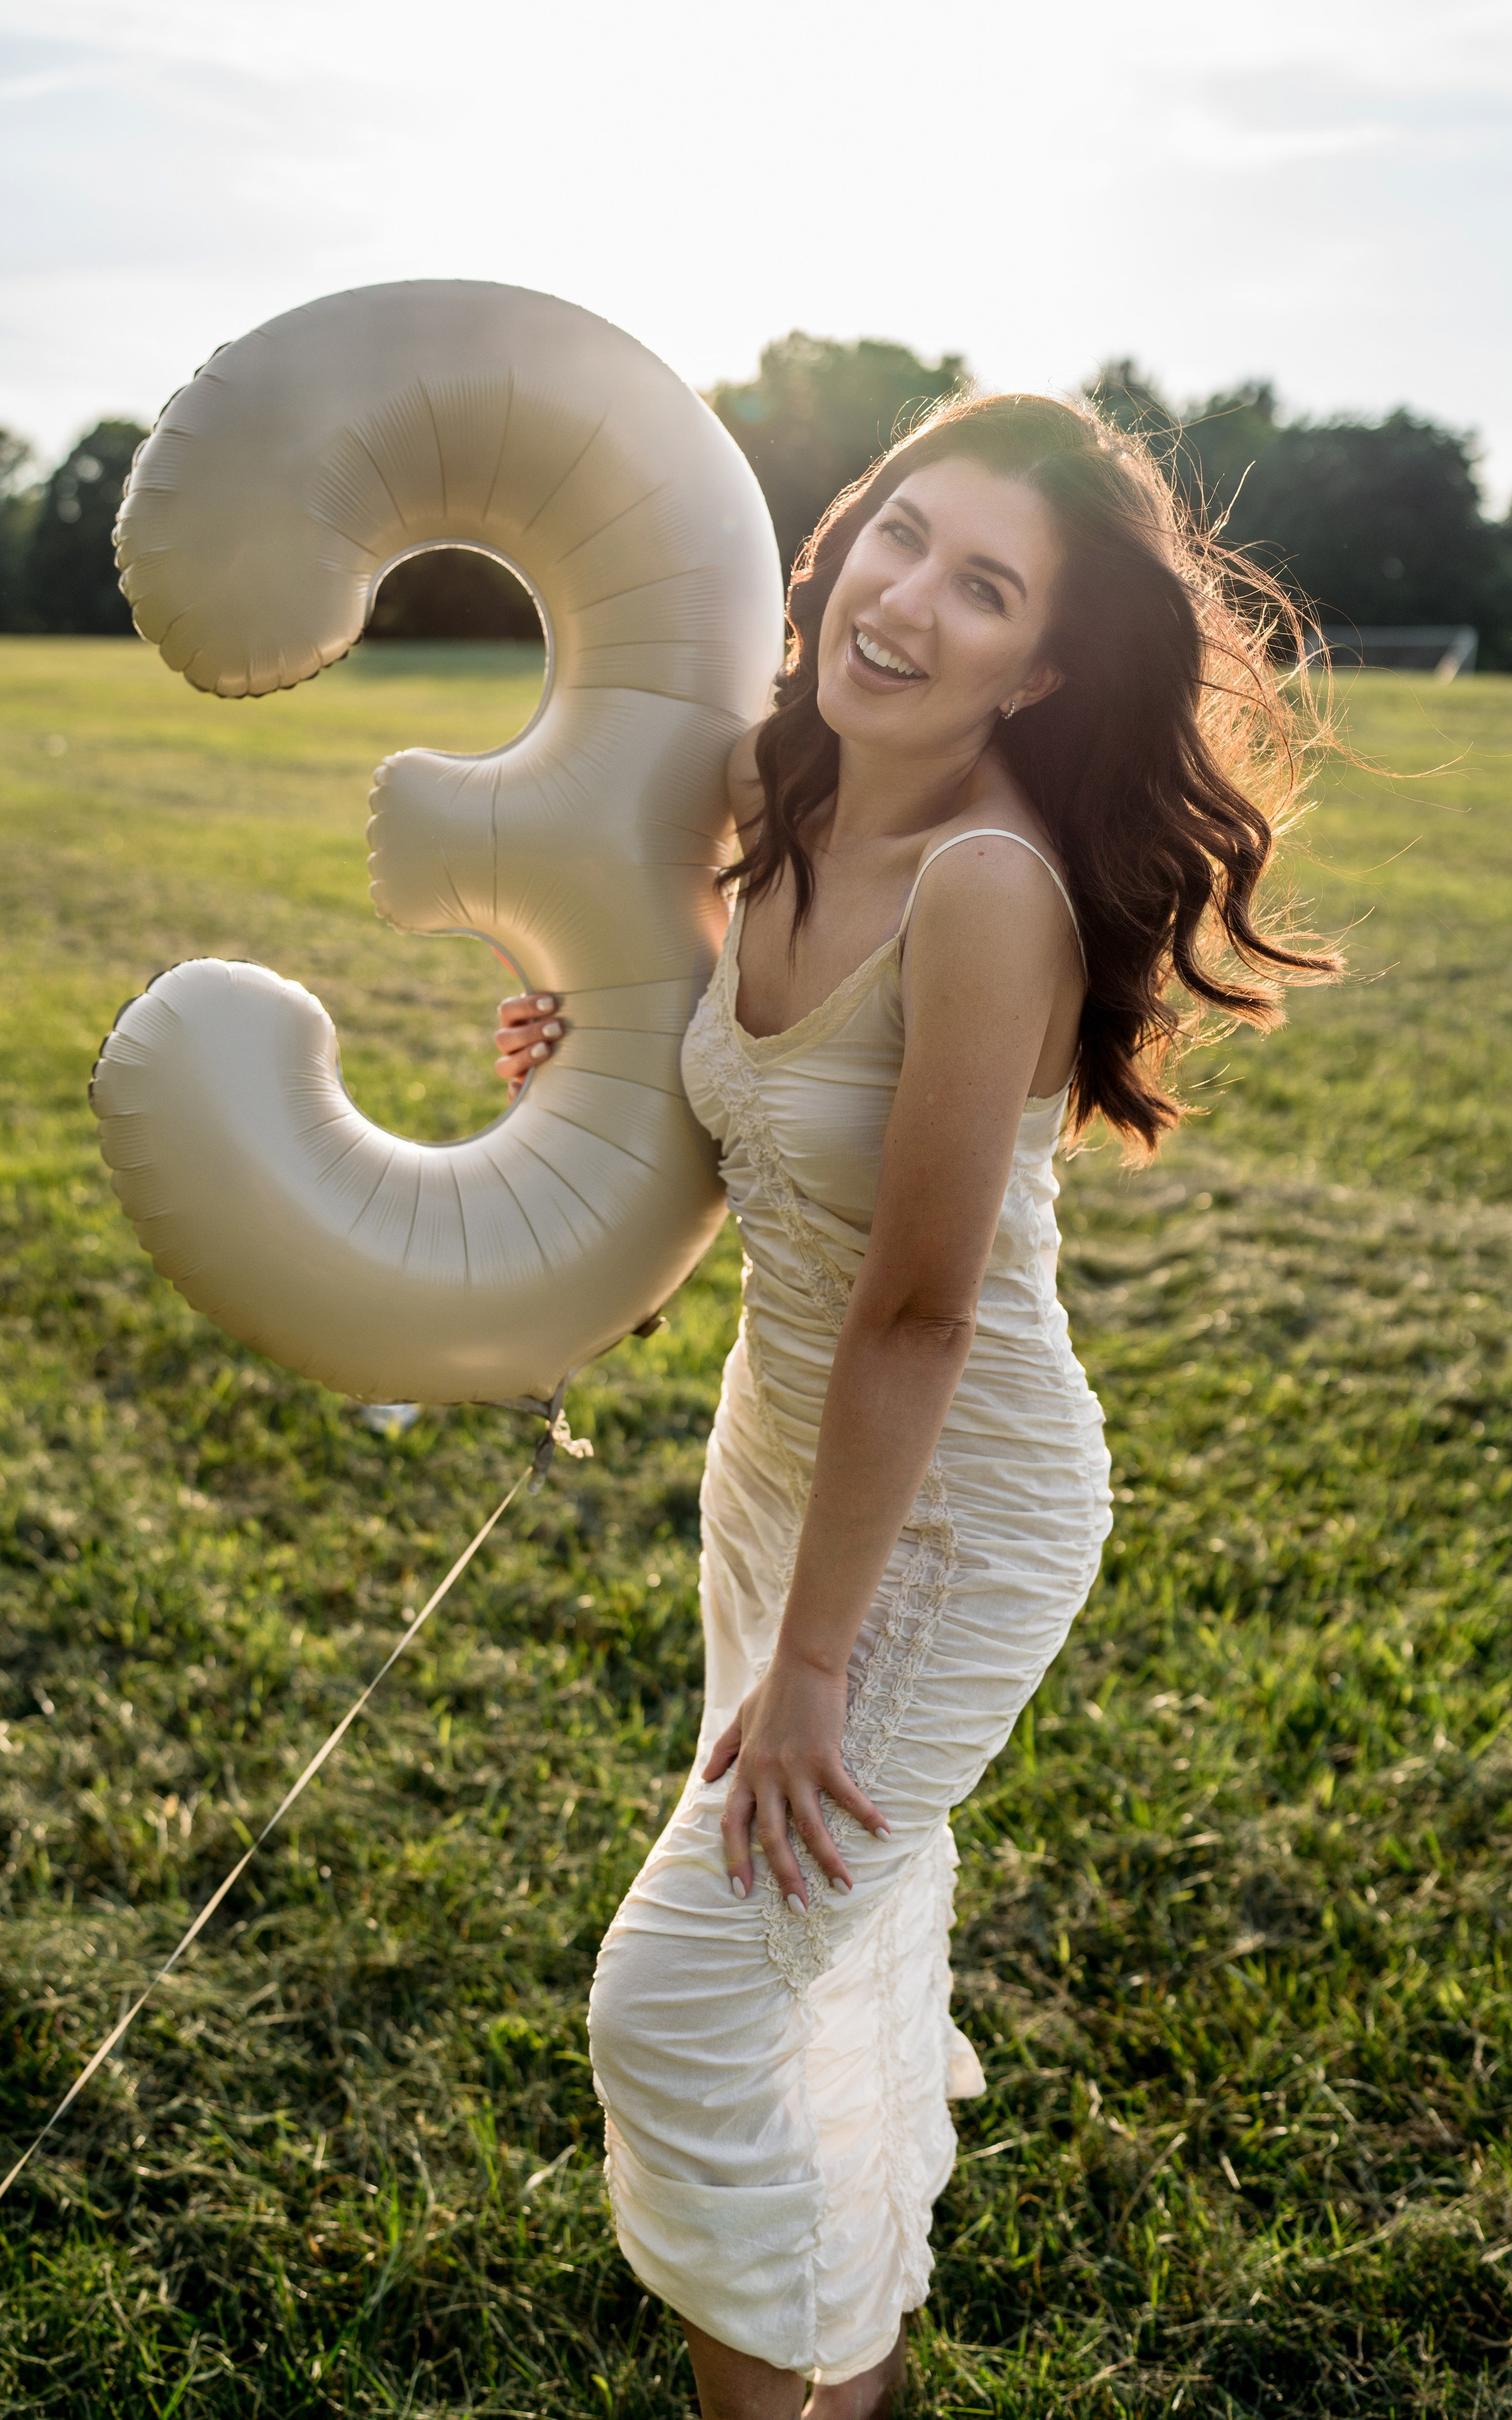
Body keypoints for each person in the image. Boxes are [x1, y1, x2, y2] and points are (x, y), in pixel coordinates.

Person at [493, 392, 1335, 2420]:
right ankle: (840, 2367)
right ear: (839, 545)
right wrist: (585, 1056)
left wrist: (811, 1668)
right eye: (898, 537)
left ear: (1041, 666)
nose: (905, 602)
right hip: (777, 1463)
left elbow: (921, 1312)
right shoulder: (774, 794)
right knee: (820, 1957)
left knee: (682, 2007)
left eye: (984, 589)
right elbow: (753, 1142)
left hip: (947, 1512)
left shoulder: (987, 889)